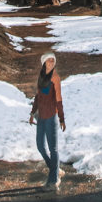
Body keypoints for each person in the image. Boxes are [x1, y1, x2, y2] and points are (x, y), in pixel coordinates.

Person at [29, 50, 65, 189]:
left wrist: (61, 118)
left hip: (51, 116)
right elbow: (38, 97)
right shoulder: (41, 76)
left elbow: (59, 99)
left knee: (53, 149)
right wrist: (32, 113)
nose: (51, 62)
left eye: (53, 60)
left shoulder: (55, 78)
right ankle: (55, 169)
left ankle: (53, 181)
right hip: (41, 116)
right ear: (43, 62)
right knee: (40, 146)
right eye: (49, 60)